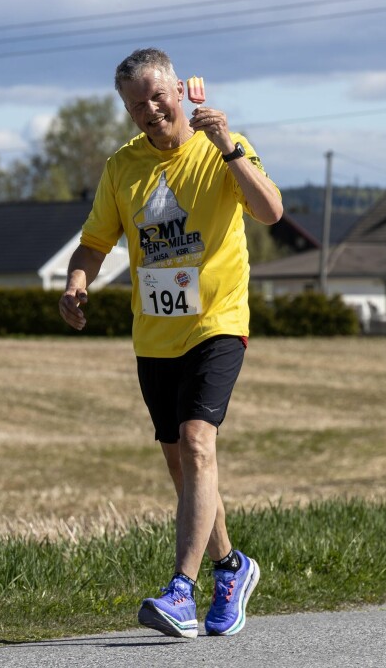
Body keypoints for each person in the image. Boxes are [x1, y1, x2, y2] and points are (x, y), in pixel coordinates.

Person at [58, 47, 283, 639]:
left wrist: (228, 146)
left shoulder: (223, 145)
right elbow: (94, 242)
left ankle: (181, 590)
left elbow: (270, 211)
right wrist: (77, 283)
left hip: (218, 322)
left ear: (179, 90)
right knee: (184, 466)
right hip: (155, 333)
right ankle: (231, 567)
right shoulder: (122, 167)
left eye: (157, 96)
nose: (150, 110)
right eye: (136, 104)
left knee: (197, 441)